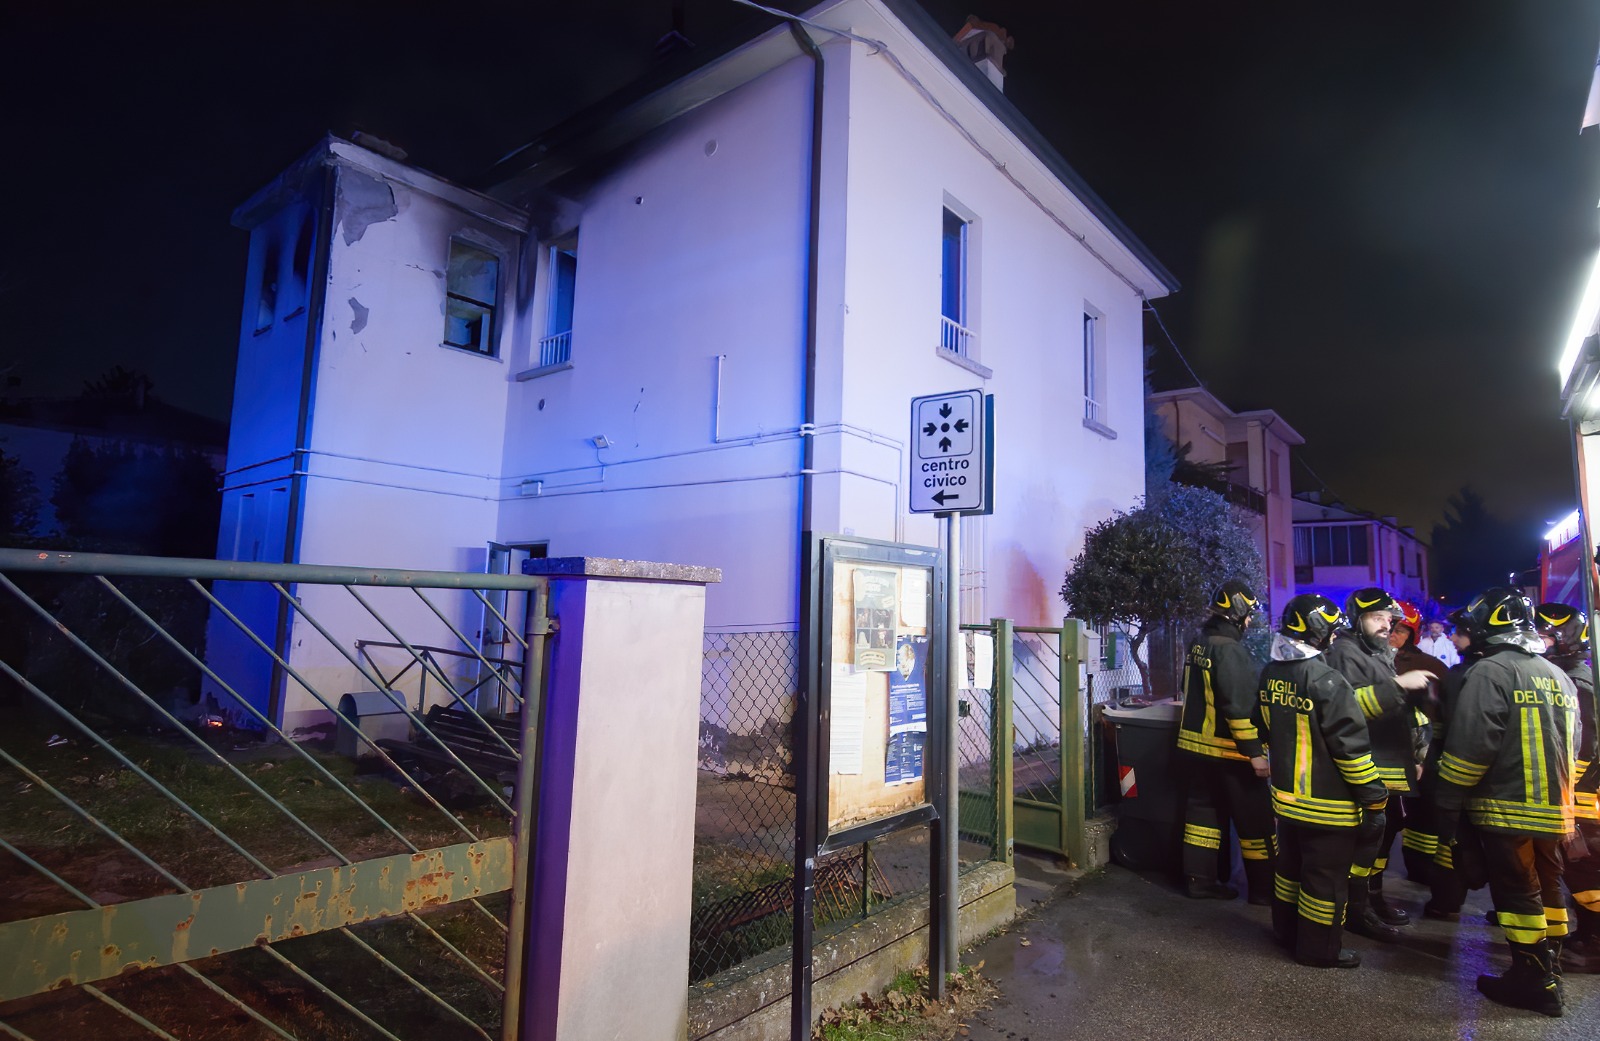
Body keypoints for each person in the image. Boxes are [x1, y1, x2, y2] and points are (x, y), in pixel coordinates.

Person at [1435, 588, 1579, 1017]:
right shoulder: (1557, 674)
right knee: (1547, 885)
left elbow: (1470, 747)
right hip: (1555, 807)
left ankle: (1532, 980)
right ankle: (1550, 965)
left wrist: (1448, 803)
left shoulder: (1490, 671)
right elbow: (1573, 743)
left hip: (1506, 805)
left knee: (1517, 891)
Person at [1260, 593, 1390, 968]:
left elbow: (1264, 730)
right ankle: (1319, 950)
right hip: (1328, 806)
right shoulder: (1327, 680)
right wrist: (1374, 798)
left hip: (1286, 800)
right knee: (1325, 881)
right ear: (1317, 632)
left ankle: (1286, 933)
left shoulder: (1271, 673)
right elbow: (1351, 751)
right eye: (1331, 631)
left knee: (1289, 871)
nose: (1334, 637)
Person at [1322, 587, 1435, 940]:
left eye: (1389, 619)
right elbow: (1347, 708)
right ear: (1357, 620)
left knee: (1383, 835)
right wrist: (1399, 685)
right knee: (1367, 837)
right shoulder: (1345, 652)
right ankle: (1357, 910)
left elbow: (1398, 710)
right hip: (1368, 763)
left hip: (1390, 762)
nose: (1387, 625)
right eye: (1377, 618)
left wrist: (1417, 752)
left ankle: (1372, 898)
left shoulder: (1377, 651)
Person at [1175, 579, 1273, 902]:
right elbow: (1238, 707)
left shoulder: (1199, 642)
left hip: (1195, 749)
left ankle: (1199, 881)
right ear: (1238, 613)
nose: (1250, 621)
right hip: (1229, 752)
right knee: (1256, 821)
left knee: (1202, 816)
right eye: (1249, 615)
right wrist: (1255, 753)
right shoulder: (1230, 650)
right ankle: (1264, 891)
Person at [1534, 602, 1600, 974]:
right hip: (1574, 791)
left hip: (1582, 796)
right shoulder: (1566, 674)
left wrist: (1571, 796)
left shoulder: (1578, 681)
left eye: (1545, 637)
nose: (1537, 642)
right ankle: (1588, 932)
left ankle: (1596, 942)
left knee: (1585, 866)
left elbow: (1584, 747)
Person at [1389, 600, 1450, 886]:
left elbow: (1440, 712)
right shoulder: (1366, 660)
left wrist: (1426, 755)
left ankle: (1421, 869)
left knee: (1423, 812)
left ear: (1412, 634)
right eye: (1390, 628)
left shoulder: (1429, 666)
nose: (1393, 634)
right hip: (1381, 749)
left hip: (1421, 751)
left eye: (1401, 630)